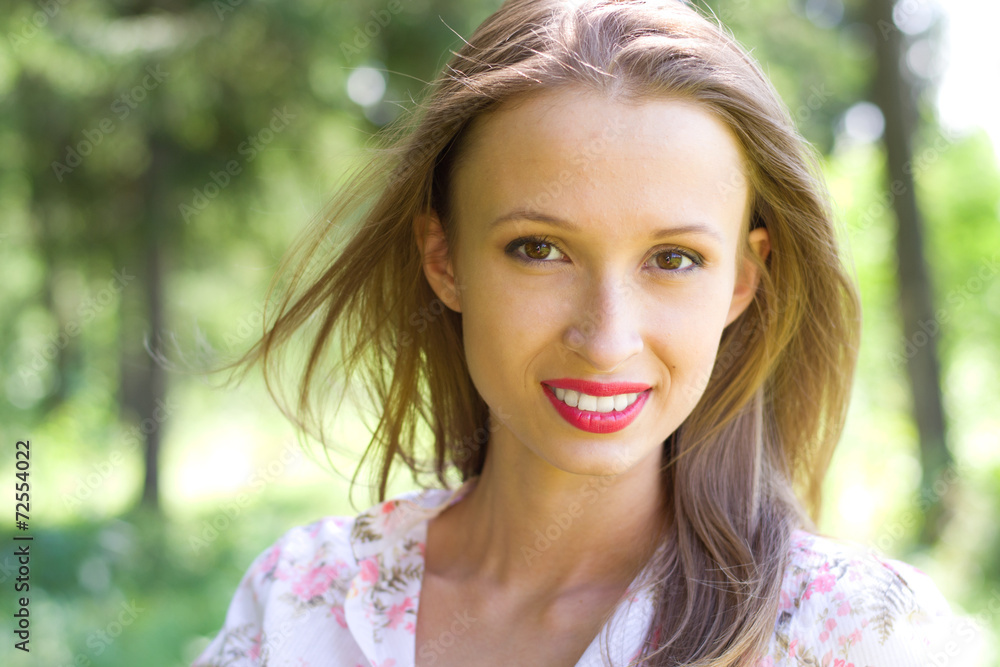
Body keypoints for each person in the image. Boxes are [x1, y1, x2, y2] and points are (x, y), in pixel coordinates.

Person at [191, 0, 957, 665]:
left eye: (673, 259)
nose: (606, 339)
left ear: (741, 280)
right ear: (444, 258)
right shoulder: (300, 603)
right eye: (539, 249)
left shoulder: (855, 632)